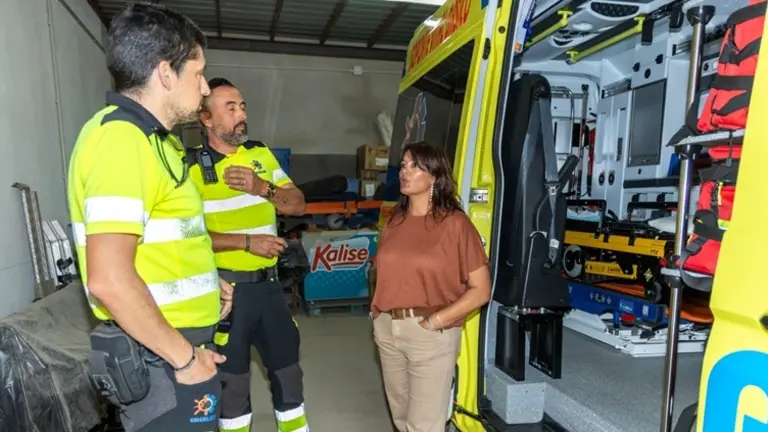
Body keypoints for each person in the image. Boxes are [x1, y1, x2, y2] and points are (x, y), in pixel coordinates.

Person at [67, 3, 234, 432]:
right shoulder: (121, 142)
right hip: (163, 360)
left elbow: (160, 236)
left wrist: (202, 280)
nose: (202, 88)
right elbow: (109, 278)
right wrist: (184, 358)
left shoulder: (154, 142)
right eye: (197, 74)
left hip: (172, 351)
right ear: (165, 74)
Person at [186, 77, 308, 432]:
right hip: (225, 296)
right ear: (206, 119)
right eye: (230, 108)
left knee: (290, 378)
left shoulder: (259, 154)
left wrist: (261, 187)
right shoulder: (190, 168)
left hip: (270, 291)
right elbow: (186, 238)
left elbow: (297, 205)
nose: (241, 114)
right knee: (232, 389)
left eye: (243, 107)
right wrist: (245, 242)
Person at [370, 141, 492, 432]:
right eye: (403, 165)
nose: (405, 171)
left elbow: (481, 289)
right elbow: (379, 270)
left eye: (415, 166)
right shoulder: (394, 221)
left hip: (430, 334)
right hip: (388, 330)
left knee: (424, 426)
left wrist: (436, 321)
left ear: (435, 175)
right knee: (401, 419)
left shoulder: (455, 224)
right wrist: (376, 314)